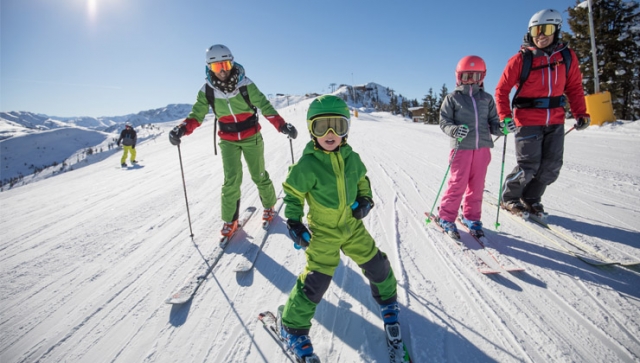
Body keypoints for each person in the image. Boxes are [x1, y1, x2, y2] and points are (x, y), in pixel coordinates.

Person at [278, 95, 399, 361]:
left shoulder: (352, 157)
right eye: (323, 127)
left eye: (338, 126)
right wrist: (295, 221)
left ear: (346, 129)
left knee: (377, 265)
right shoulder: (307, 165)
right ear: (312, 130)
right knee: (315, 282)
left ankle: (389, 302)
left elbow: (362, 180)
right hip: (323, 233)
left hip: (352, 227)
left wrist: (365, 200)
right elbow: (293, 194)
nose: (330, 134)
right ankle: (292, 326)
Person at [168, 44, 297, 239]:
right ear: (209, 68)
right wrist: (182, 129)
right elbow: (197, 115)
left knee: (258, 174)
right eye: (216, 67)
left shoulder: (245, 85)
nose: (221, 71)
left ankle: (269, 206)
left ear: (232, 63)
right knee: (231, 180)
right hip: (227, 140)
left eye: (225, 65)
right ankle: (230, 219)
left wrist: (282, 125)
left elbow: (264, 105)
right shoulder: (207, 91)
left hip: (251, 135)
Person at [495, 9, 590, 217]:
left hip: (555, 119)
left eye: (546, 29)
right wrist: (505, 117)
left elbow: (574, 87)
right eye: (536, 30)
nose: (541, 35)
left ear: (556, 30)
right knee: (528, 165)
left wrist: (581, 113)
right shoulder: (521, 59)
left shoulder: (567, 57)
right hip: (527, 120)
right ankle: (509, 198)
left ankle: (530, 198)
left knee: (551, 166)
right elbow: (501, 90)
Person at [437, 55, 509, 239]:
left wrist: (503, 128)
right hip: (461, 148)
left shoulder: (486, 98)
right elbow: (444, 121)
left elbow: (493, 123)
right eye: (467, 75)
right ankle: (446, 216)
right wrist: (454, 130)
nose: (471, 80)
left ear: (482, 77)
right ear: (458, 76)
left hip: (482, 149)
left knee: (477, 186)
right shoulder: (452, 98)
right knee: (457, 184)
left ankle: (471, 217)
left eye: (475, 76)